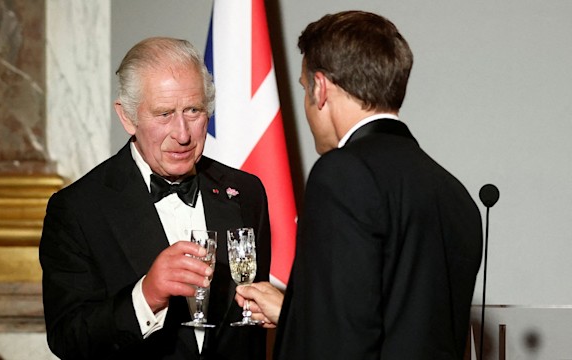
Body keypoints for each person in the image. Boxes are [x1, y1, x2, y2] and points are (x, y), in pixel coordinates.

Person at [238, 10, 483, 359]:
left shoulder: (342, 173)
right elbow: (401, 322)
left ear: (321, 89)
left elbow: (339, 342)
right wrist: (295, 313)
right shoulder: (454, 193)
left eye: (305, 88)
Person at [39, 37, 271, 360]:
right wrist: (146, 296)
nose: (182, 134)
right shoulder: (78, 209)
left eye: (193, 110)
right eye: (164, 114)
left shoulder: (246, 193)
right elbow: (69, 339)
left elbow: (250, 332)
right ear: (127, 118)